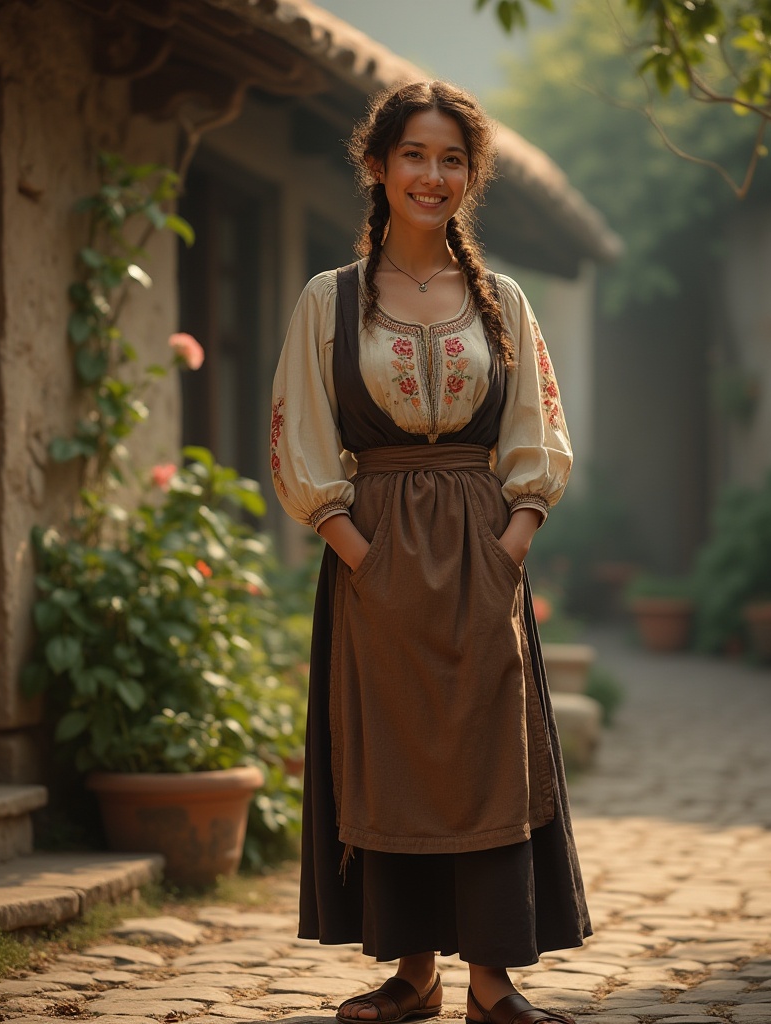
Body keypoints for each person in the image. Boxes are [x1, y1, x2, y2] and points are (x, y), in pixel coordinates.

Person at [269, 80, 590, 1024]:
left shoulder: (504, 301)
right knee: (394, 749)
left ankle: (493, 982)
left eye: (453, 159)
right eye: (415, 154)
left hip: (485, 553)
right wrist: (361, 555)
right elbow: (303, 439)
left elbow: (537, 430)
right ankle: (414, 974)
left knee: (490, 752)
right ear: (378, 165)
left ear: (470, 176)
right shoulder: (328, 301)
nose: (433, 175)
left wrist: (510, 547)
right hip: (372, 557)